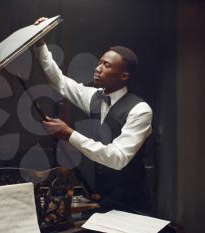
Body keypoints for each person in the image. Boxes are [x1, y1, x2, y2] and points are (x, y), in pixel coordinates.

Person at [34, 17, 153, 213]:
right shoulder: (94, 97)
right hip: (101, 197)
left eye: (106, 65)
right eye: (99, 62)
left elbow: (118, 158)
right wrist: (40, 44)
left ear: (123, 76)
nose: (98, 68)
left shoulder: (140, 110)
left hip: (131, 201)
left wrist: (69, 134)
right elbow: (60, 82)